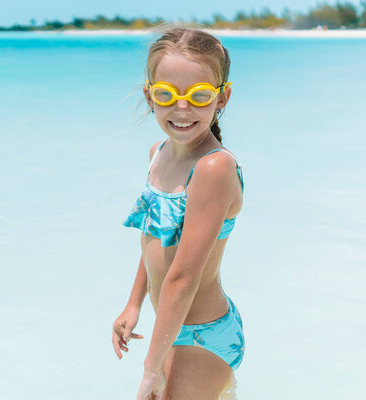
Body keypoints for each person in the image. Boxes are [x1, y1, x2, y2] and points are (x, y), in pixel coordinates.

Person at [112, 25, 246, 400]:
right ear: (149, 96)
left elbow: (183, 278)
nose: (182, 108)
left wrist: (150, 369)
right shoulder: (159, 153)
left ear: (222, 99)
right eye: (167, 95)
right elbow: (155, 237)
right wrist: (134, 303)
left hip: (204, 333)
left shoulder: (213, 169)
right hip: (170, 324)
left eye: (199, 96)